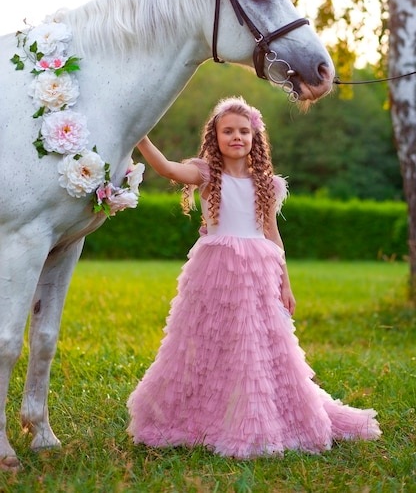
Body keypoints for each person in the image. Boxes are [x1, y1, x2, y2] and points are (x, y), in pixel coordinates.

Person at [127, 96, 381, 458]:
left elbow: (273, 237)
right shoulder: (206, 173)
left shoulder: (266, 183)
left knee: (255, 343)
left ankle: (255, 418)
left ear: (255, 137)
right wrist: (141, 137)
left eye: (244, 131)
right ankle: (197, 415)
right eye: (228, 131)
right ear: (214, 137)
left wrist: (286, 283)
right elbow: (168, 169)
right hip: (214, 271)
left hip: (258, 271)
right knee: (206, 341)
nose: (236, 137)